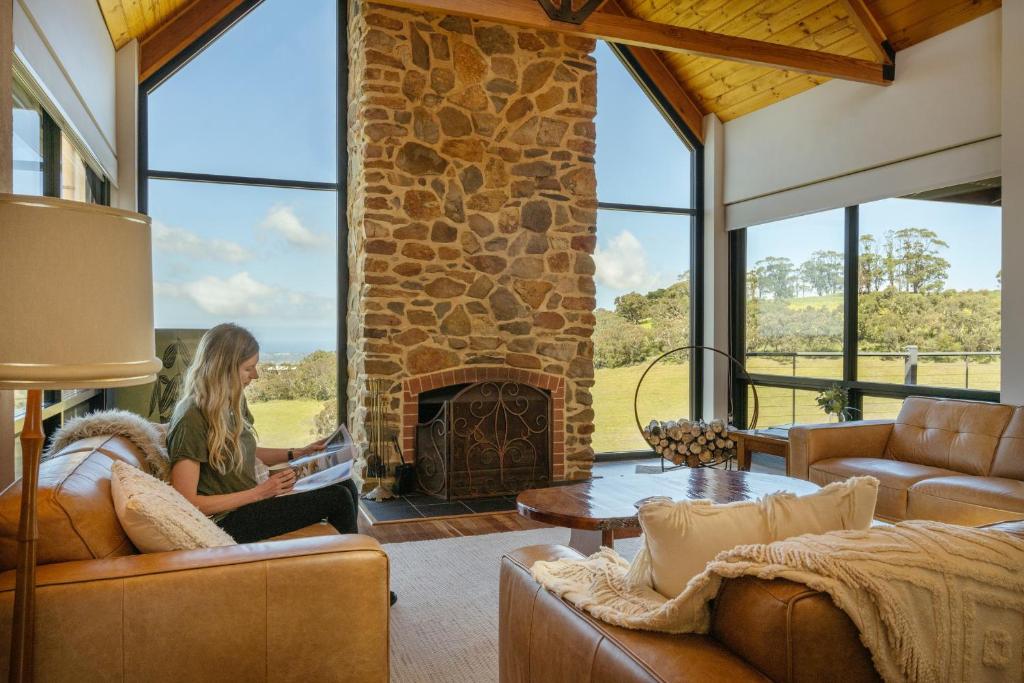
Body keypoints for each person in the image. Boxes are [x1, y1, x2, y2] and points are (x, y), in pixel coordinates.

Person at [167, 323, 396, 604]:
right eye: (248, 368)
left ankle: (353, 575)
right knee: (336, 498)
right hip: (228, 520)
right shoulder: (190, 417)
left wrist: (296, 453)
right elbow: (186, 500)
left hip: (251, 501)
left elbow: (245, 451)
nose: (256, 375)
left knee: (346, 485)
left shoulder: (228, 402)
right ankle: (360, 586)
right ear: (224, 367)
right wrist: (261, 492)